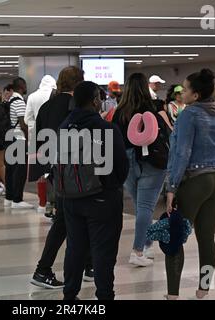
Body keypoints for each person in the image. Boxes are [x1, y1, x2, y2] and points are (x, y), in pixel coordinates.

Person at [60, 81, 129, 300]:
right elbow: (121, 165)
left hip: (70, 198)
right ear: (95, 101)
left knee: (75, 247)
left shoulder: (63, 128)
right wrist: (111, 186)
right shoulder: (105, 129)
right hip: (102, 197)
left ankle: (70, 295)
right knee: (103, 250)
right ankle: (105, 296)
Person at [165, 69, 215, 300]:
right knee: (207, 238)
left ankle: (172, 294)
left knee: (174, 237)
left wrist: (172, 187)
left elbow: (182, 153)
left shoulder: (189, 114)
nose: (182, 92)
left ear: (196, 95)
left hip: (195, 181)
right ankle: (204, 289)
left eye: (186, 89)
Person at [31, 66, 89, 289]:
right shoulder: (75, 106)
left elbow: (39, 140)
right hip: (75, 171)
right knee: (70, 219)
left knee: (67, 218)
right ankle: (44, 269)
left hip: (56, 170)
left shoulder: (47, 106)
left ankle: (85, 264)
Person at [112, 73, 172, 267]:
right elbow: (169, 133)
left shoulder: (119, 112)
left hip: (127, 163)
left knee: (140, 207)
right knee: (145, 207)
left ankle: (147, 244)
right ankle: (138, 251)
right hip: (152, 162)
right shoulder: (154, 108)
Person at [24, 75, 57, 213]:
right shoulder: (55, 95)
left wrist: (34, 127)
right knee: (54, 170)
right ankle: (53, 201)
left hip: (36, 139)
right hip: (53, 137)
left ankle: (42, 203)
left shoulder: (32, 96)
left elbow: (27, 119)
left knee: (40, 172)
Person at [4, 77, 34, 209]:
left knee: (10, 169)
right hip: (19, 139)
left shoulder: (10, 100)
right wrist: (29, 139)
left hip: (10, 138)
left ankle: (9, 197)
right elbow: (22, 124)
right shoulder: (20, 102)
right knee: (19, 170)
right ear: (21, 86)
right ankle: (17, 199)